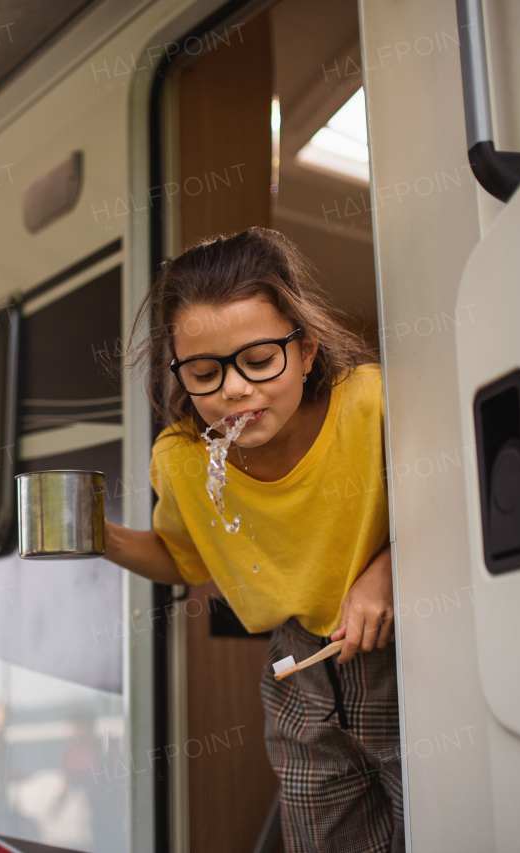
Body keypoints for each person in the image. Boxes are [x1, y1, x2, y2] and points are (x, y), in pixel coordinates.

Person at [104, 227, 400, 852]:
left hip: (403, 646)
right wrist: (95, 536)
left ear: (309, 348)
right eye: (205, 373)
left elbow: (459, 512)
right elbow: (182, 560)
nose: (235, 390)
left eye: (260, 361)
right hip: (295, 667)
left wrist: (388, 567)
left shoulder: (374, 405)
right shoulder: (182, 459)